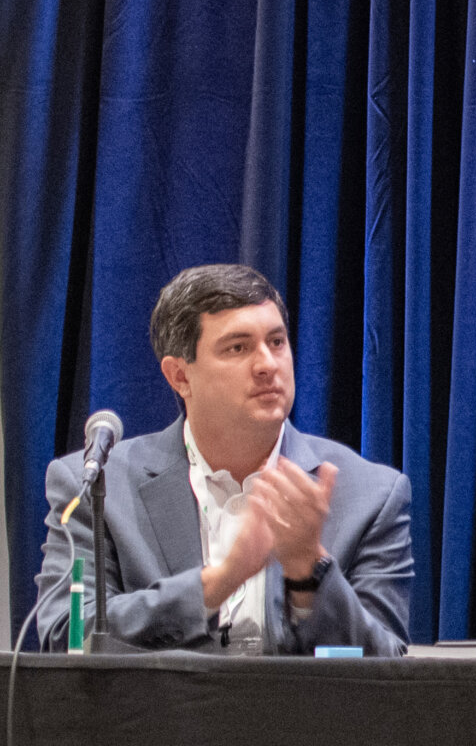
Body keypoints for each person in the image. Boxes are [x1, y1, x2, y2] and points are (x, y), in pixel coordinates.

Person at [35, 265, 413, 655]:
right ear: (180, 376)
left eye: (277, 342)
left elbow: (388, 669)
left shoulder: (370, 496)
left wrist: (309, 573)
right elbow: (68, 634)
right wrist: (217, 584)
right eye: (238, 348)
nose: (267, 364)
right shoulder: (96, 488)